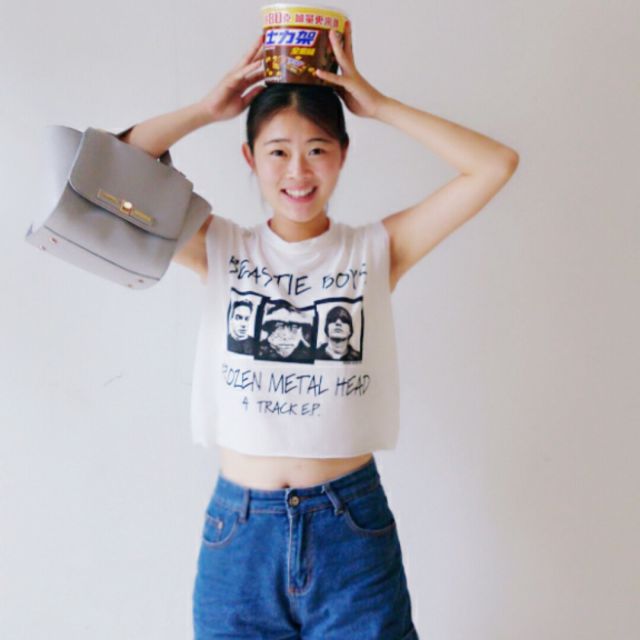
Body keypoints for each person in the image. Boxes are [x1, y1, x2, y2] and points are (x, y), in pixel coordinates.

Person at [120, 21, 518, 640]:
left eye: (317, 149)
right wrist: (206, 109)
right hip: (240, 537)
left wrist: (379, 105)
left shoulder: (376, 250)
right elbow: (112, 173)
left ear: (342, 155)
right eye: (278, 151)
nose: (298, 171)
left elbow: (494, 165)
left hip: (349, 530)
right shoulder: (217, 247)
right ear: (250, 159)